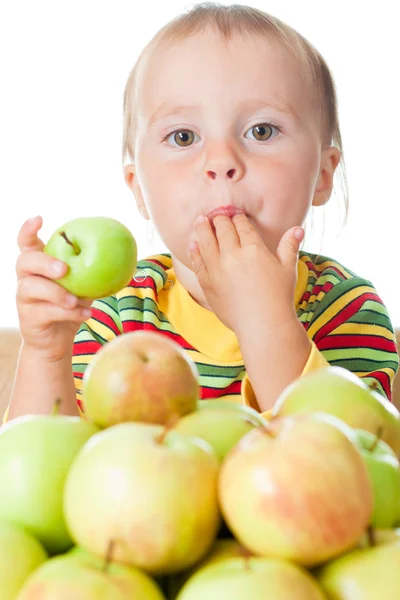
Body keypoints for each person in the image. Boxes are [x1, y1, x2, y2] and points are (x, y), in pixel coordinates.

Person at [6, 3, 399, 423]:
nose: (220, 161)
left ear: (322, 175)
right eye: (183, 136)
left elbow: (353, 463)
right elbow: (39, 471)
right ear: (139, 188)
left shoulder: (342, 306)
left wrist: (266, 323)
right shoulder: (114, 312)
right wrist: (47, 353)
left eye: (261, 131)